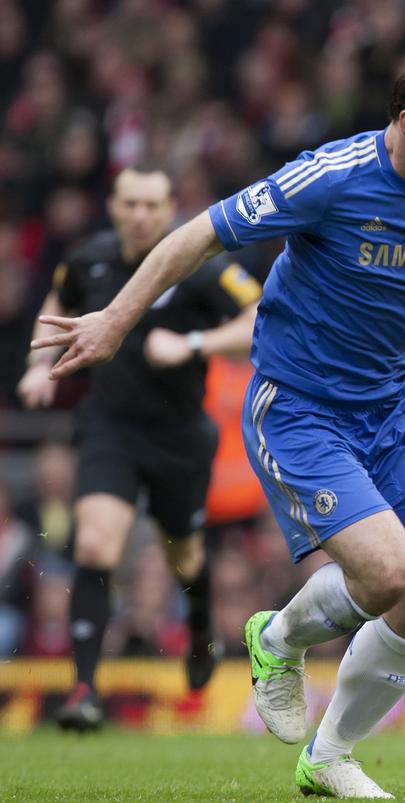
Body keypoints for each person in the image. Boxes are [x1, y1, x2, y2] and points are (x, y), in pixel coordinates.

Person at [33, 41, 405, 798]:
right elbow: (199, 233)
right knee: (388, 571)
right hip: (298, 408)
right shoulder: (331, 177)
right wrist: (119, 321)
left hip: (388, 407)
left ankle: (329, 754)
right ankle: (277, 637)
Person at [17, 165, 261, 731]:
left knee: (185, 557)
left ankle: (200, 629)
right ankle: (83, 690)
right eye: (130, 204)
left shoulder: (199, 265)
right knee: (96, 544)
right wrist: (36, 367)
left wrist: (194, 343)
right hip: (111, 426)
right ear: (114, 206)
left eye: (152, 205)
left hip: (179, 435)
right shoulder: (89, 259)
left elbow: (259, 319)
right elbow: (57, 303)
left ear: (170, 206)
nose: (141, 215)